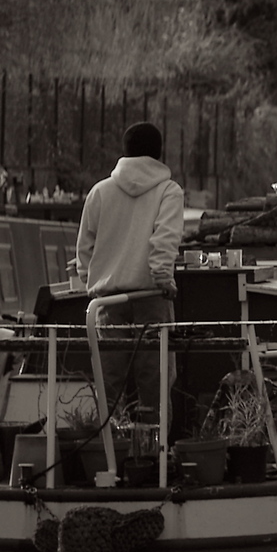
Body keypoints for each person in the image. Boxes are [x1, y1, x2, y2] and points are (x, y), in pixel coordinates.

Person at [77, 122, 186, 416]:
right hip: (150, 298)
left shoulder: (99, 192)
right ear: (158, 153)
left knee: (109, 387)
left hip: (107, 303)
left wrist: (93, 279)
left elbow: (85, 250)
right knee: (155, 387)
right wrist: (163, 278)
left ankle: (111, 453)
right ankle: (154, 456)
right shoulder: (169, 192)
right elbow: (164, 240)